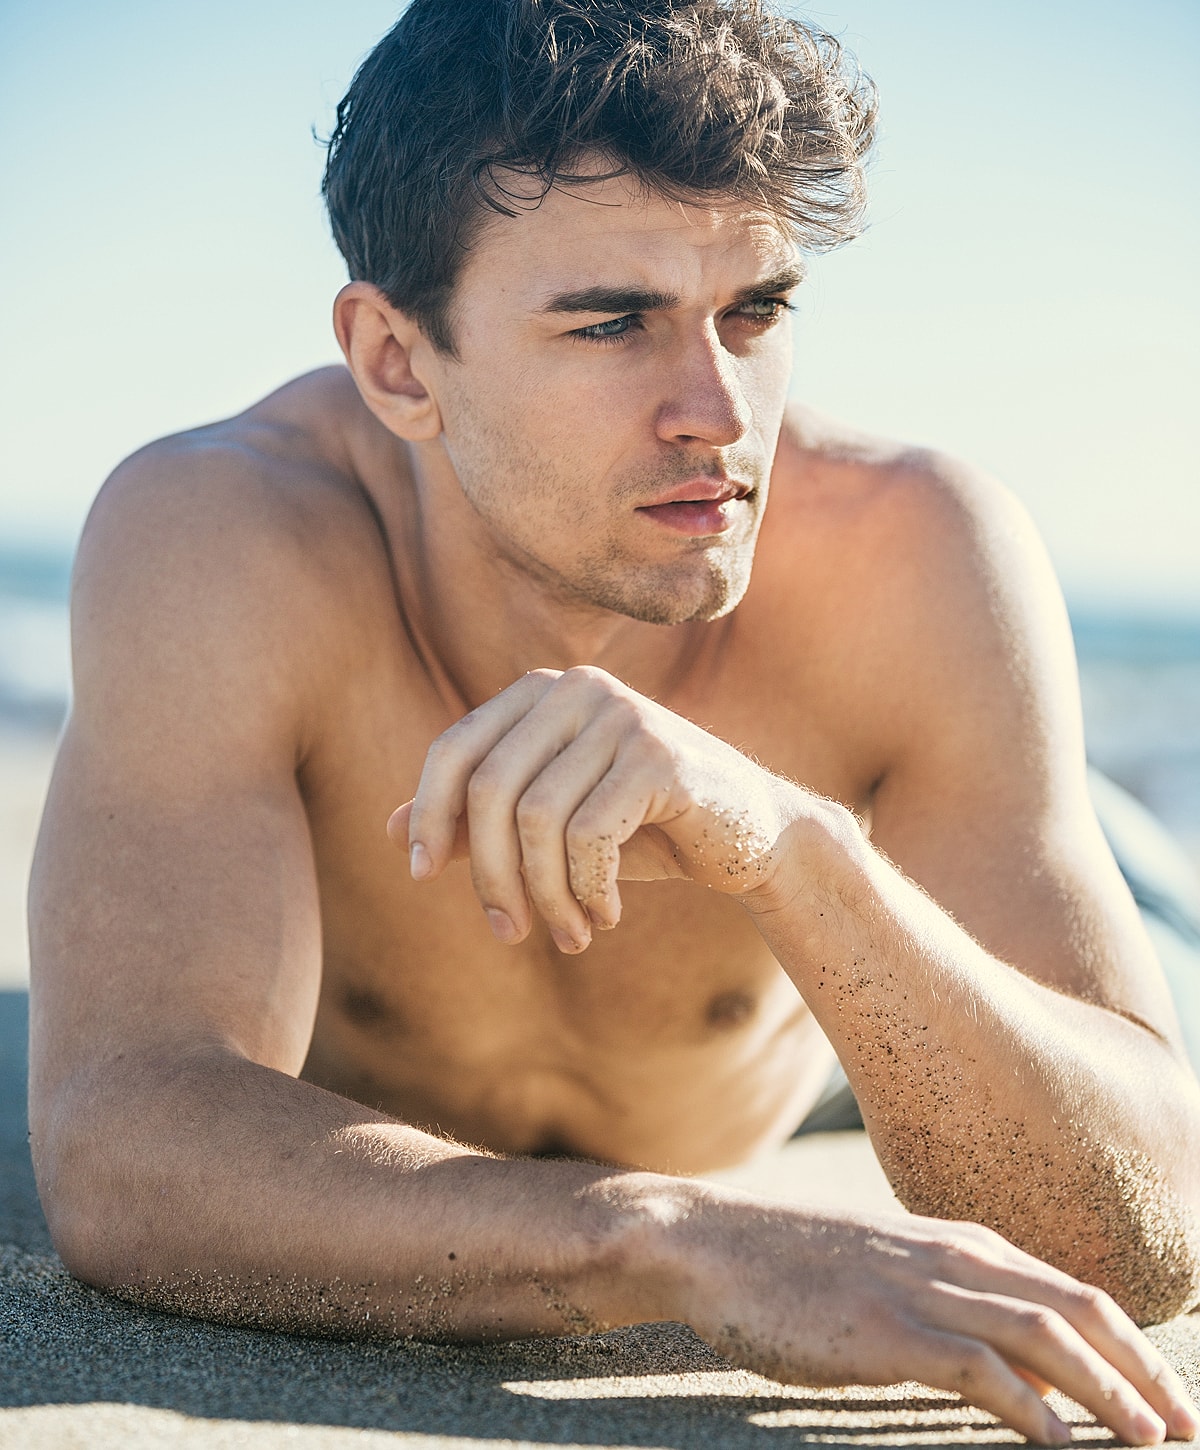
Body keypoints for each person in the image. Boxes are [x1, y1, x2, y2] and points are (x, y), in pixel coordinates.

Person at [27, 1, 1200, 1443]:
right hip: (631, 1134)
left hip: (839, 1055)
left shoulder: (916, 554)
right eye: (612, 322)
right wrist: (675, 1235)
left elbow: (1136, 1235)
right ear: (398, 360)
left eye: (755, 310)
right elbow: (126, 1143)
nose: (718, 410)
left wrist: (788, 845)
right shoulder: (225, 537)